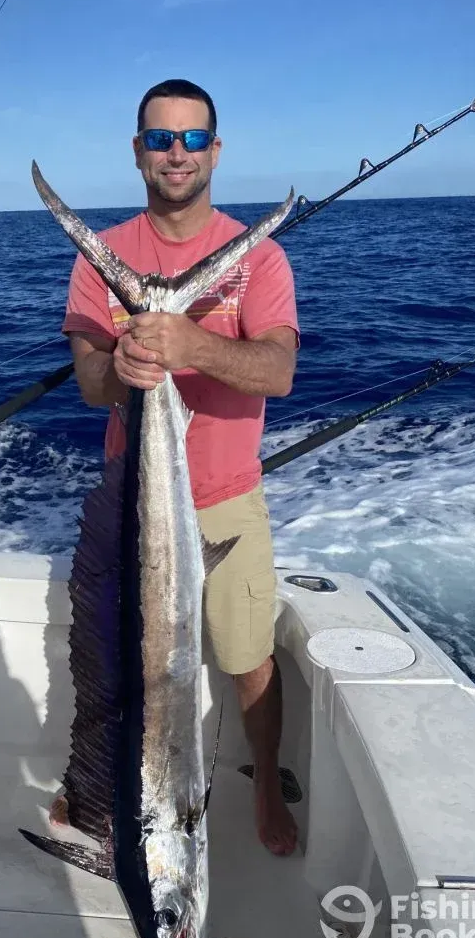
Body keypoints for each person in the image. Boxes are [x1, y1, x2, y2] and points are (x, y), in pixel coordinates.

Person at [62, 78, 299, 856]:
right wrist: (122, 364)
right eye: (161, 139)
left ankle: (265, 779)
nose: (177, 153)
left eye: (192, 139)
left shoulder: (258, 259)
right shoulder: (105, 258)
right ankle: (98, 783)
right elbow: (92, 384)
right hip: (134, 509)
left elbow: (278, 372)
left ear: (215, 151)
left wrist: (190, 344)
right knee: (115, 663)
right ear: (138, 151)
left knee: (245, 657)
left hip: (228, 498)